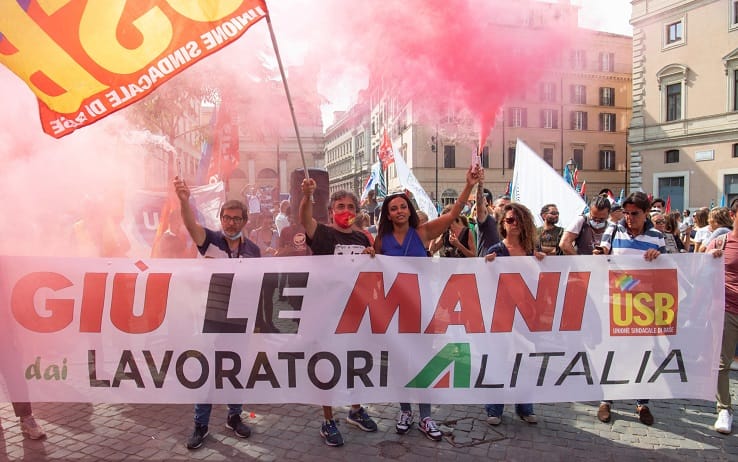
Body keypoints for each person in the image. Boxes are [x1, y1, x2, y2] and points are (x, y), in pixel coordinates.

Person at [374, 167, 477, 442]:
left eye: (402, 207)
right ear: (387, 214)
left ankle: (426, 416)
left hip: (423, 309)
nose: (398, 211)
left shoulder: (422, 233)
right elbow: (370, 268)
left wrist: (467, 186)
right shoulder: (381, 240)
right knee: (400, 364)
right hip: (395, 312)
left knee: (423, 363)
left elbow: (454, 214)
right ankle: (405, 411)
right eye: (393, 208)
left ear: (409, 210)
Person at [174, 176, 258, 450]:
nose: (231, 223)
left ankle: (234, 417)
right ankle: (201, 424)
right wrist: (184, 201)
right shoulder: (209, 240)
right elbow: (189, 225)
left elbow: (259, 283)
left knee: (235, 370)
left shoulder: (254, 250)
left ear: (245, 221)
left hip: (240, 321)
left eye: (236, 218)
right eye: (226, 217)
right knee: (207, 372)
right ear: (220, 219)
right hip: (211, 318)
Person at [299, 178, 377, 447]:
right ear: (331, 210)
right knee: (327, 366)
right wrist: (308, 196)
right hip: (326, 314)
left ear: (357, 211)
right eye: (340, 205)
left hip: (355, 314)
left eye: (350, 206)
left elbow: (373, 270)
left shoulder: (362, 236)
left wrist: (371, 255)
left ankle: (355, 410)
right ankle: (328, 420)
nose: (346, 210)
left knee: (356, 363)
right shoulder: (322, 234)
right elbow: (305, 219)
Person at [597, 191, 665, 425]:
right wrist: (600, 253)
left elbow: (669, 267)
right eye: (625, 213)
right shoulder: (614, 229)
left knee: (643, 355)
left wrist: (658, 257)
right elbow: (603, 253)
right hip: (616, 304)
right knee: (613, 354)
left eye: (634, 213)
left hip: (644, 306)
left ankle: (641, 403)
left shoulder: (657, 236)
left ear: (646, 212)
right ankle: (607, 400)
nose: (629, 217)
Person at [483, 202, 545, 425]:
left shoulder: (532, 251)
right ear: (502, 224)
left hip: (527, 316)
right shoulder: (496, 251)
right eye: (509, 220)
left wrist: (543, 264)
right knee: (499, 361)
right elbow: (485, 284)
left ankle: (525, 407)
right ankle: (494, 409)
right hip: (502, 315)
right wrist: (486, 266)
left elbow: (542, 283)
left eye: (518, 219)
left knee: (526, 361)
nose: (514, 224)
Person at [705, 198, 738, 434]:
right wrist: (709, 259)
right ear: (733, 215)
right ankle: (724, 409)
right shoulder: (720, 242)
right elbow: (698, 271)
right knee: (722, 363)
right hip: (727, 309)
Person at [475, 171, 501, 256]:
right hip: (485, 265)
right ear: (494, 207)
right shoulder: (487, 220)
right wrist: (480, 185)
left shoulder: (514, 225)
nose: (505, 208)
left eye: (508, 206)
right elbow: (479, 204)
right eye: (501, 205)